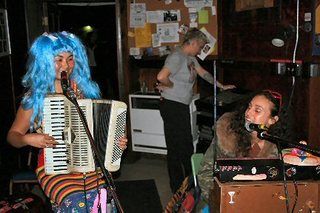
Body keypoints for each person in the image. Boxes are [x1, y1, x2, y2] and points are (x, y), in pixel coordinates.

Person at [7, 31, 127, 212]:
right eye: (58, 59)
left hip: (90, 164)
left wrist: (116, 142)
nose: (66, 65)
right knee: (77, 204)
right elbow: (12, 136)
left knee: (103, 203)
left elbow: (102, 129)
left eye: (70, 59)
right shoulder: (35, 98)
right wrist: (28, 139)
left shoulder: (86, 91)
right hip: (54, 167)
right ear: (43, 61)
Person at [156, 28, 235, 193]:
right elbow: (161, 77)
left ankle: (188, 183)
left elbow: (203, 73)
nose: (200, 50)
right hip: (172, 106)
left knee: (185, 146)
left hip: (179, 106)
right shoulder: (176, 57)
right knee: (177, 147)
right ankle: (177, 188)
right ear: (192, 42)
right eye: (200, 46)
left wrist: (221, 86)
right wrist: (170, 86)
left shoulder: (190, 58)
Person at [197, 90, 291, 207]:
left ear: (272, 120)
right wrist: (220, 201)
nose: (248, 113)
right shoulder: (227, 134)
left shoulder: (277, 146)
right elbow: (205, 173)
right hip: (224, 201)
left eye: (257, 110)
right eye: (249, 107)